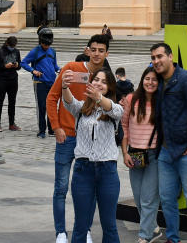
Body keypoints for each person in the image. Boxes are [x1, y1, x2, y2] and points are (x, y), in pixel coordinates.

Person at [47, 34, 111, 243]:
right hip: (67, 137)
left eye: (101, 50)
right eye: (93, 49)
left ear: (106, 53)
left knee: (87, 190)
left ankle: (84, 231)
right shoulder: (71, 68)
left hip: (90, 142)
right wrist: (56, 127)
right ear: (87, 50)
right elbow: (52, 97)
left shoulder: (104, 77)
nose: (96, 53)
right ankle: (61, 232)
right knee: (61, 187)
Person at [150, 41, 187, 243]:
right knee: (166, 200)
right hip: (166, 152)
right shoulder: (157, 82)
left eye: (160, 56)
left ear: (170, 56)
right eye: (153, 58)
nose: (156, 61)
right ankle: (172, 238)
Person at [61, 66, 123, 243]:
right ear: (90, 82)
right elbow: (69, 102)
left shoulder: (113, 109)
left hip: (107, 171)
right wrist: (64, 86)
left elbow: (115, 110)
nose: (99, 83)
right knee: (81, 225)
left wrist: (99, 98)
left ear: (110, 87)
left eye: (104, 82)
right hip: (83, 171)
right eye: (96, 79)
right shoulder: (81, 109)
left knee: (109, 225)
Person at [120, 66, 161, 243]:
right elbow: (124, 127)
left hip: (155, 155)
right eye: (147, 79)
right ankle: (153, 227)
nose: (150, 82)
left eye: (154, 80)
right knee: (138, 197)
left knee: (148, 198)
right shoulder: (131, 99)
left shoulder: (163, 101)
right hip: (135, 153)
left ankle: (144, 236)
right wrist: (124, 153)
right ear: (142, 79)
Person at [21, 28, 60, 138]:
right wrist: (33, 71)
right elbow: (23, 63)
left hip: (52, 82)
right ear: (40, 41)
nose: (46, 46)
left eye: (48, 45)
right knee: (41, 107)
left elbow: (55, 65)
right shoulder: (35, 51)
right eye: (44, 44)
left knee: (51, 106)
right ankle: (42, 131)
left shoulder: (53, 51)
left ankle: (51, 130)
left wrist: (59, 70)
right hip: (40, 83)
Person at [0, 35, 21, 131]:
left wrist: (17, 65)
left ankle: (12, 123)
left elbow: (19, 66)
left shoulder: (16, 51)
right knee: (0, 102)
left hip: (13, 79)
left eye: (14, 46)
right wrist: (5, 66)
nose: (12, 48)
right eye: (11, 46)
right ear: (7, 43)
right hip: (2, 79)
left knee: (12, 102)